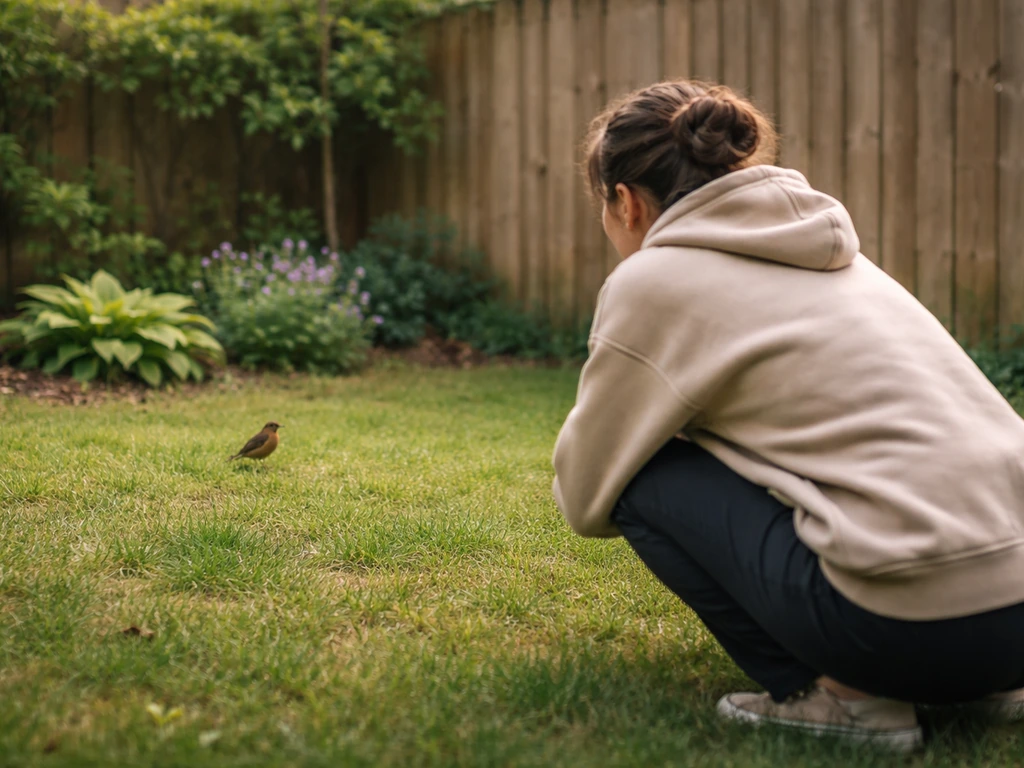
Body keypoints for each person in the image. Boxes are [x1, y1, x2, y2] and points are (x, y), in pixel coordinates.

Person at [551, 81, 1024, 752]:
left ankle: (849, 702)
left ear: (626, 204)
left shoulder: (653, 279)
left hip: (906, 634)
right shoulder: (842, 259)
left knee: (642, 477)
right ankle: (990, 688)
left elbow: (585, 490)